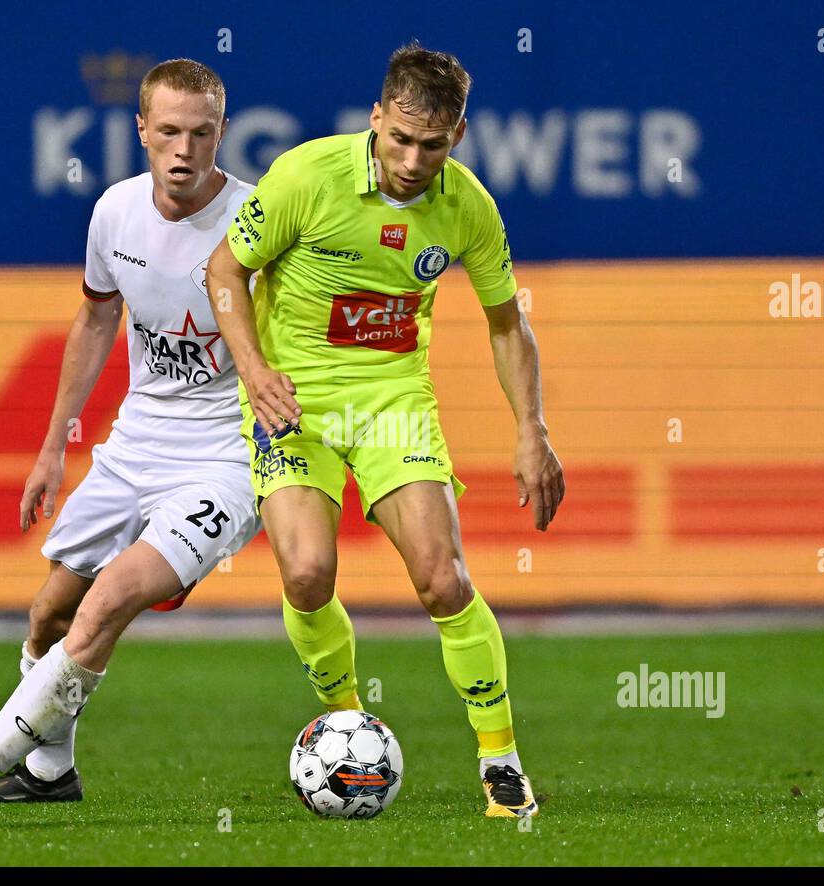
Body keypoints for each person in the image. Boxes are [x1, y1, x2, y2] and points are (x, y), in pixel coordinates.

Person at [206, 42, 564, 817]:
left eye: (431, 145)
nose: (411, 159)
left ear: (457, 137)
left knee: (444, 579)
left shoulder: (466, 205)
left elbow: (508, 325)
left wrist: (531, 429)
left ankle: (500, 761)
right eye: (399, 138)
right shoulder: (307, 176)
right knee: (307, 575)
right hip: (290, 403)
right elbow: (223, 273)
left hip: (392, 401)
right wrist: (255, 370)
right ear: (376, 118)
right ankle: (341, 717)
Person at [0, 59, 259, 811]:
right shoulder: (114, 213)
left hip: (224, 460)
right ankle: (52, 771)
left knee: (111, 597)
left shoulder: (256, 222)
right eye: (168, 131)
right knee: (49, 612)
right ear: (140, 130)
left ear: (222, 134)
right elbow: (97, 316)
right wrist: (53, 448)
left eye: (201, 134)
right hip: (136, 443)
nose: (183, 150)